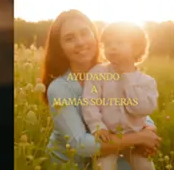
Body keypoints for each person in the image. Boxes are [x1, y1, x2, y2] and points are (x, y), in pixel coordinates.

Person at [42, 10, 160, 169]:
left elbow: (134, 110)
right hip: (73, 164)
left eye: (85, 33)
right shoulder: (59, 88)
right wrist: (139, 138)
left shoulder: (114, 71)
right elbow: (80, 144)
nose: (80, 42)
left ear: (95, 36)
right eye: (69, 39)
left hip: (116, 154)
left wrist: (149, 129)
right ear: (60, 48)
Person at [81, 21, 159, 170]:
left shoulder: (146, 82)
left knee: (145, 166)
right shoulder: (97, 73)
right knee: (103, 166)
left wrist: (127, 77)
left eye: (119, 42)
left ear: (136, 48)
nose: (113, 47)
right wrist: (97, 127)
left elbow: (141, 109)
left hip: (136, 138)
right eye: (108, 44)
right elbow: (89, 103)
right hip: (108, 136)